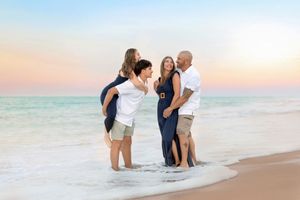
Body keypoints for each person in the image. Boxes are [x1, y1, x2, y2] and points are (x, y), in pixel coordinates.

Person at [102, 59, 153, 171]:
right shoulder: (130, 84)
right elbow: (111, 91)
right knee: (117, 144)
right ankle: (115, 171)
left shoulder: (144, 83)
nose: (152, 71)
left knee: (128, 142)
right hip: (120, 118)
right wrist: (104, 108)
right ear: (143, 71)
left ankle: (128, 167)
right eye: (149, 69)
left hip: (130, 119)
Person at [100, 48, 148, 148]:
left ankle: (114, 140)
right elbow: (136, 83)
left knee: (116, 116)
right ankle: (105, 136)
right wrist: (145, 89)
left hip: (116, 95)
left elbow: (138, 82)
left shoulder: (134, 69)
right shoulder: (128, 68)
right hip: (109, 94)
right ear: (132, 56)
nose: (140, 56)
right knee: (112, 115)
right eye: (138, 54)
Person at [154, 56, 194, 167]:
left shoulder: (175, 75)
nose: (169, 64)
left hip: (171, 107)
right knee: (165, 136)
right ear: (163, 64)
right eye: (167, 61)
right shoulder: (160, 79)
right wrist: (156, 87)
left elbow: (176, 94)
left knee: (168, 136)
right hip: (160, 107)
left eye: (171, 62)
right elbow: (161, 94)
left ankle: (177, 161)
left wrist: (170, 108)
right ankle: (170, 163)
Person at [163, 51, 201, 168]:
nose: (176, 60)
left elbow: (185, 97)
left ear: (186, 61)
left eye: (179, 59)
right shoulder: (180, 71)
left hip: (188, 109)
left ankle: (184, 163)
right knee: (187, 134)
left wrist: (170, 108)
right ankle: (194, 160)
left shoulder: (194, 75)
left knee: (181, 132)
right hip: (180, 109)